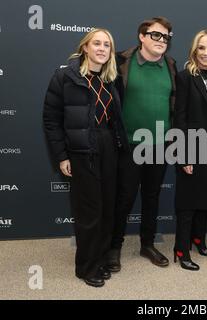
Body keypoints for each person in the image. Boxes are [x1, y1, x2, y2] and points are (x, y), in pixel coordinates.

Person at [43, 28, 128, 287]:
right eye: (97, 44)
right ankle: (86, 267)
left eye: (107, 45)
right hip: (81, 152)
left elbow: (115, 120)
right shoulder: (64, 78)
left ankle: (101, 260)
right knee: (88, 213)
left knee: (106, 209)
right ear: (85, 48)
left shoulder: (110, 80)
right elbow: (51, 120)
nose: (102, 49)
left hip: (108, 150)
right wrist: (61, 156)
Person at [107, 17, 176, 271]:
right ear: (142, 36)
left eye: (166, 37)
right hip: (130, 145)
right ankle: (114, 247)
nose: (162, 41)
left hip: (159, 145)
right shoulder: (121, 62)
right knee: (124, 198)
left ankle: (147, 244)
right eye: (156, 35)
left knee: (152, 196)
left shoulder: (170, 65)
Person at [173, 30, 207, 271]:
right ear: (194, 51)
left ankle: (199, 240)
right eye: (202, 48)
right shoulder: (185, 77)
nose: (206, 53)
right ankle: (181, 249)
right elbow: (179, 117)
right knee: (187, 203)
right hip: (192, 147)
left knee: (205, 199)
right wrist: (183, 154)